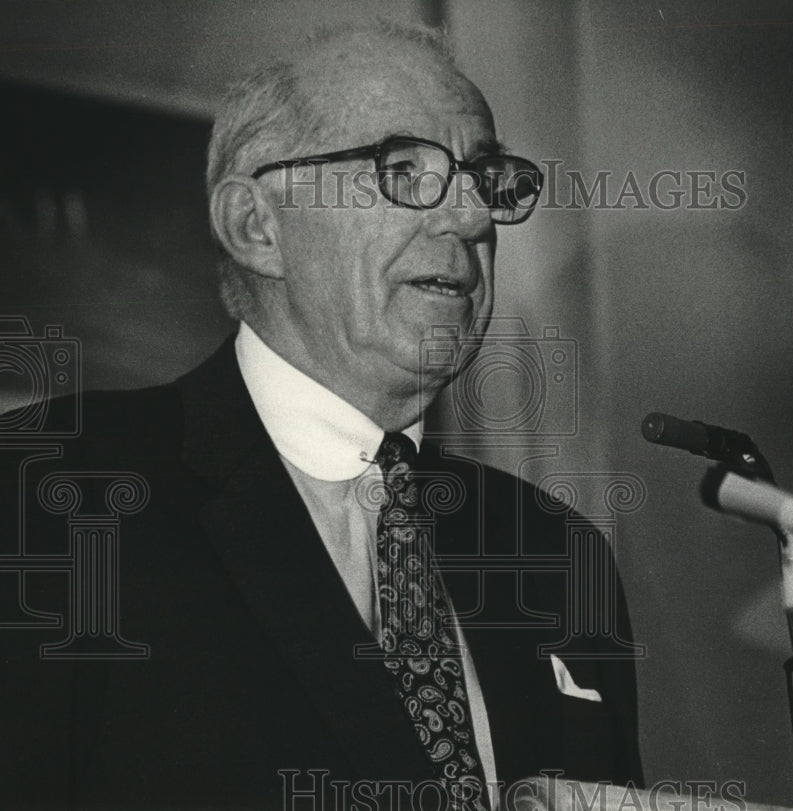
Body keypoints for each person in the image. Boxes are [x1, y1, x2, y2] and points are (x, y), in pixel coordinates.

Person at [0, 20, 642, 810]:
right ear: (256, 226)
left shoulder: (554, 554)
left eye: (485, 178)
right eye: (405, 170)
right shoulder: (48, 492)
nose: (473, 218)